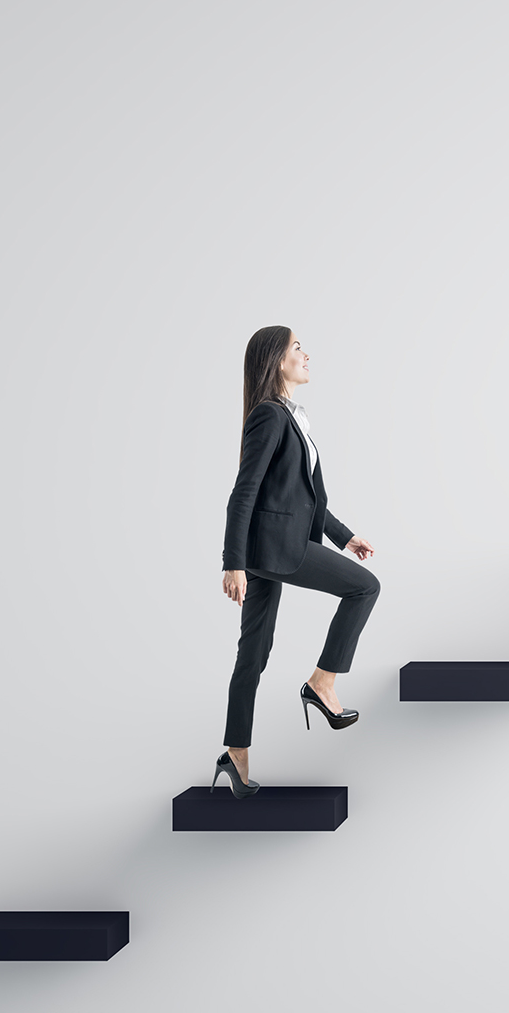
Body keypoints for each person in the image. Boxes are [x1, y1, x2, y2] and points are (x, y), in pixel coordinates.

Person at [212, 326, 380, 797]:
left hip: (271, 550)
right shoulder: (269, 416)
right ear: (276, 360)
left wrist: (344, 538)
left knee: (253, 654)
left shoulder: (291, 416)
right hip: (273, 551)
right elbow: (243, 492)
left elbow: (300, 499)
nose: (306, 354)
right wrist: (233, 563)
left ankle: (235, 755)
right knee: (365, 588)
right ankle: (322, 683)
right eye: (297, 348)